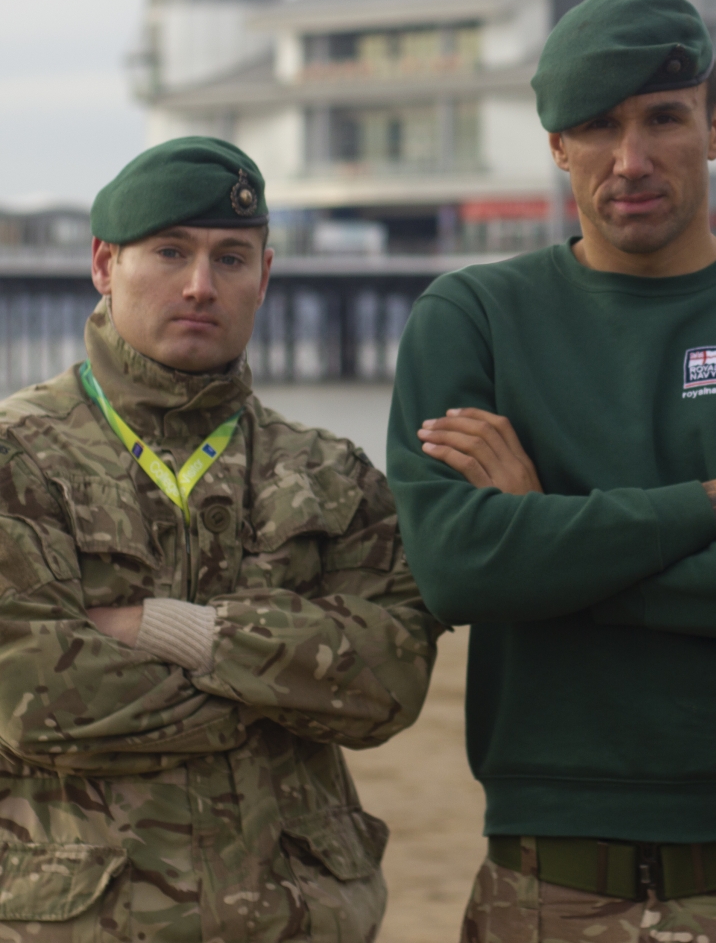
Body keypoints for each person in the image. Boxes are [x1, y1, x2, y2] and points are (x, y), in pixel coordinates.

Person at [387, 0, 716, 942]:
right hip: (544, 871)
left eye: (663, 119)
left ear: (715, 125)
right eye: (596, 127)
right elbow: (457, 567)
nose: (630, 160)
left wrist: (542, 536)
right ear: (556, 148)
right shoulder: (473, 320)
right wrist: (706, 506)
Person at [0, 138, 438, 942]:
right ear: (104, 264)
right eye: (171, 252)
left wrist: (174, 630)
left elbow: (390, 680)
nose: (201, 285)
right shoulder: (17, 457)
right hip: (84, 921)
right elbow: (33, 697)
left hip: (300, 917)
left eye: (231, 258)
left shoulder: (329, 471)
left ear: (264, 277)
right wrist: (283, 689)